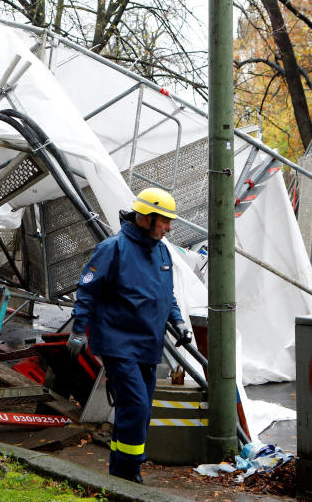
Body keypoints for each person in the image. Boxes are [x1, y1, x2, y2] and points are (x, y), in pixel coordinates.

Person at [66, 187, 192, 484]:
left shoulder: (161, 250)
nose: (169, 227)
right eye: (164, 221)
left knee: (139, 410)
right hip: (118, 343)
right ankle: (129, 471)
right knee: (135, 405)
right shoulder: (114, 248)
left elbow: (167, 295)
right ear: (146, 218)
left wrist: (179, 322)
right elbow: (87, 290)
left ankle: (120, 469)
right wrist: (77, 331)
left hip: (148, 344)